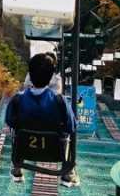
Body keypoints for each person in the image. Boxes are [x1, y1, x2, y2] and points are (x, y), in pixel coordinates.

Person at [6, 51, 79, 187]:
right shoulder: (59, 101)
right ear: (51, 75)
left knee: (16, 131)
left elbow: (10, 121)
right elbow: (72, 126)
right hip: (55, 151)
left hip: (25, 148)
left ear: (30, 75)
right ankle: (67, 173)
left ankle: (17, 168)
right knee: (69, 133)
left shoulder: (18, 99)